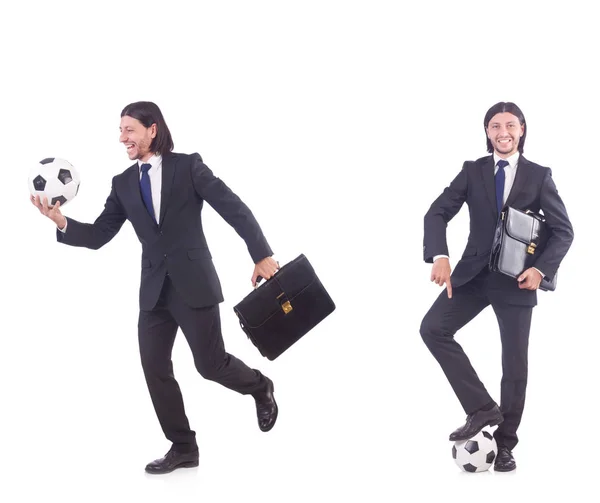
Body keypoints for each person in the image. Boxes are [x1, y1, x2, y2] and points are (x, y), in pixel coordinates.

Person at [31, 101, 280, 474]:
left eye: (129, 130)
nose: (122, 138)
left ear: (153, 129)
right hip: (154, 292)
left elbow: (234, 208)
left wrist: (260, 254)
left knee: (210, 365)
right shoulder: (123, 184)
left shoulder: (189, 166)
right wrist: (61, 220)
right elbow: (100, 234)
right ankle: (183, 447)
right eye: (120, 130)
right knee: (154, 368)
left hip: (194, 284)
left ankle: (260, 387)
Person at [420, 102, 574, 472]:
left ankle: (505, 445)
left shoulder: (539, 176)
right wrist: (440, 254)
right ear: (487, 132)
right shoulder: (472, 171)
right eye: (494, 126)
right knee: (433, 329)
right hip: (472, 276)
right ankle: (480, 407)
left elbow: (564, 231)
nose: (502, 131)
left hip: (516, 281)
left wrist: (540, 270)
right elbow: (437, 212)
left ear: (521, 129)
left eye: (509, 125)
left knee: (514, 363)